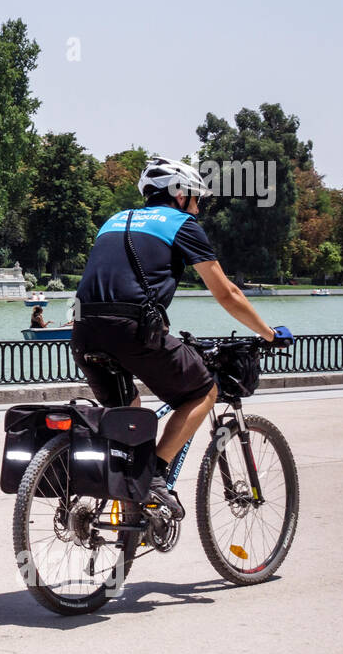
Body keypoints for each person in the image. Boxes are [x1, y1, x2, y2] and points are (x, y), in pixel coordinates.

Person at [70, 156, 292, 520]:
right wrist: (267, 334)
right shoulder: (182, 224)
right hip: (133, 330)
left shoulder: (112, 221)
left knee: (130, 415)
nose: (199, 206)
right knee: (202, 392)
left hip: (83, 331)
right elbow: (227, 294)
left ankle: (131, 514)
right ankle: (157, 474)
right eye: (195, 196)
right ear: (178, 194)